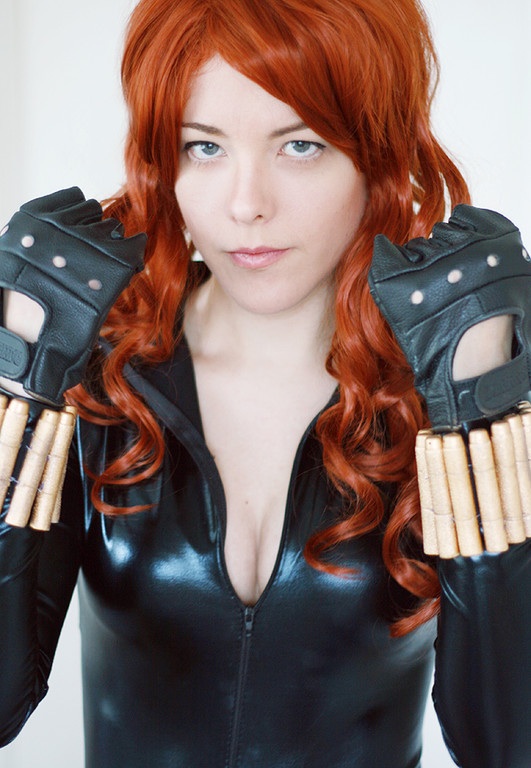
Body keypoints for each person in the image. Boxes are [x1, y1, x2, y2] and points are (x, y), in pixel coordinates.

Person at [0, 0, 529, 767]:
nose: (246, 204)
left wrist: (479, 410)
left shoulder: (439, 391)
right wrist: (17, 380)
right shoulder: (98, 372)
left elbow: (503, 744)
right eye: (204, 147)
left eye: (300, 145)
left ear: (377, 157)